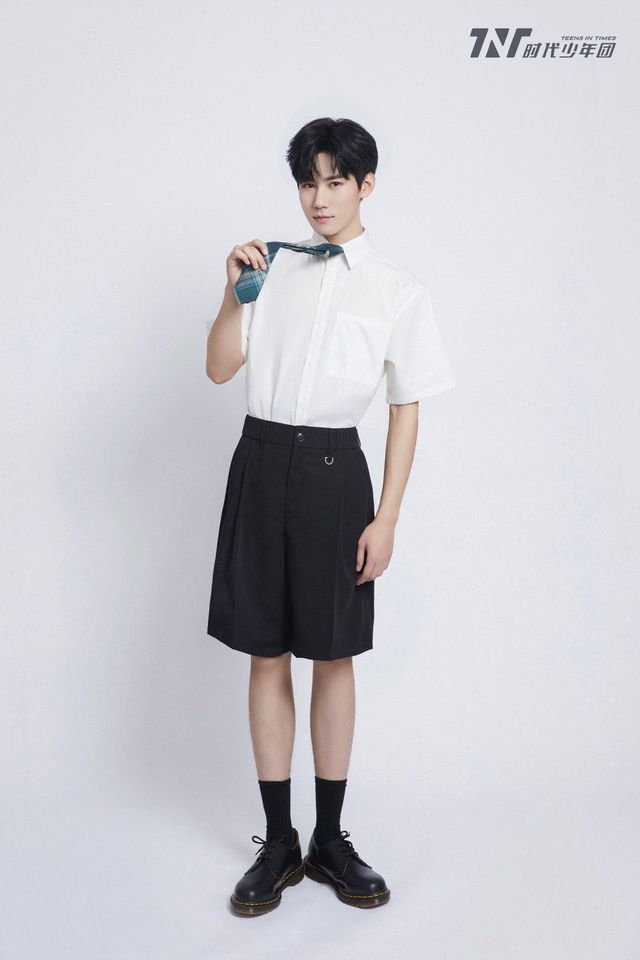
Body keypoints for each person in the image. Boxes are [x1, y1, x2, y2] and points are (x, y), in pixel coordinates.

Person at [205, 117, 456, 915]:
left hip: (334, 473)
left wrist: (387, 518)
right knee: (266, 654)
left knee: (335, 655)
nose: (319, 198)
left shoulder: (396, 290)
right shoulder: (270, 269)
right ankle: (278, 842)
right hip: (259, 459)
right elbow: (219, 368)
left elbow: (407, 407)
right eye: (307, 182)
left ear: (366, 185)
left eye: (335, 181)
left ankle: (330, 840)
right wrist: (232, 292)